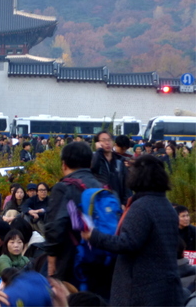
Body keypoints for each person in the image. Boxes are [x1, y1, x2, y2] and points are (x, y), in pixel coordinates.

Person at [81, 154, 184, 306]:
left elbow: (127, 243)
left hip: (141, 289)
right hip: (164, 288)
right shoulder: (167, 206)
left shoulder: (141, 207)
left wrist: (94, 236)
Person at [44, 142, 103, 288]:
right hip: (102, 257)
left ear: (64, 164)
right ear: (90, 163)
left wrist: (52, 258)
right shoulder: (102, 188)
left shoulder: (64, 188)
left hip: (71, 259)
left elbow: (55, 225)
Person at [90, 131, 127, 205]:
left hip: (117, 202)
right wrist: (99, 151)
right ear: (97, 143)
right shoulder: (95, 158)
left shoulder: (119, 160)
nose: (107, 143)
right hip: (100, 202)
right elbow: (93, 168)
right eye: (103, 140)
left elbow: (125, 183)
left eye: (109, 140)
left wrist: (124, 202)